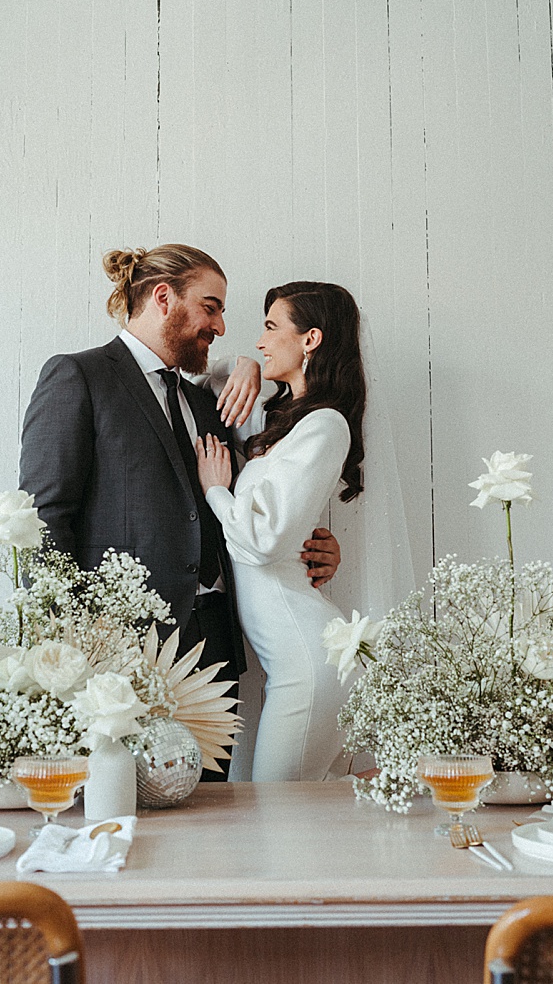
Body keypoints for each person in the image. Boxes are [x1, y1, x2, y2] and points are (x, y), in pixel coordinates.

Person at [18, 246, 343, 781]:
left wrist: (314, 539)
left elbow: (266, 497)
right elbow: (43, 516)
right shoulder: (81, 376)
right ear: (164, 298)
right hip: (124, 644)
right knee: (122, 806)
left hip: (214, 637)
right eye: (210, 307)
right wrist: (70, 639)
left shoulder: (203, 403)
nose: (220, 325)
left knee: (210, 814)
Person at [195, 282, 367, 782]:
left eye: (271, 327)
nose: (261, 341)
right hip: (294, 663)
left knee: (272, 813)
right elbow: (204, 375)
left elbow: (265, 543)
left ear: (310, 339)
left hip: (310, 665)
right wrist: (244, 366)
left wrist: (216, 491)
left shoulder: (326, 425)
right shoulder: (281, 421)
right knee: (303, 827)